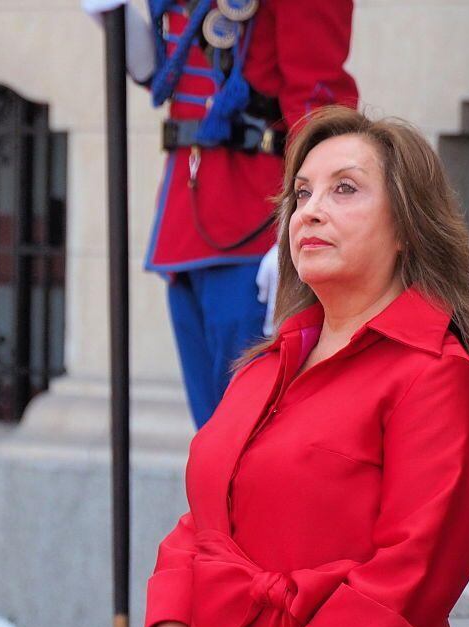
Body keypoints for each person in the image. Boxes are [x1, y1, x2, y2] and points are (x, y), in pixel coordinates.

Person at [141, 106, 469, 627]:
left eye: (344, 189)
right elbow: (201, 525)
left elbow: (410, 575)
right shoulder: (262, 368)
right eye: (302, 193)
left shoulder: (438, 377)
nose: (310, 211)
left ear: (408, 227)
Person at [141, 0, 358, 428]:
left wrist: (299, 226)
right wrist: (118, 24)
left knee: (256, 431)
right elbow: (170, 70)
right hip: (188, 223)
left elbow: (320, 109)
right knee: (213, 435)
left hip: (257, 228)